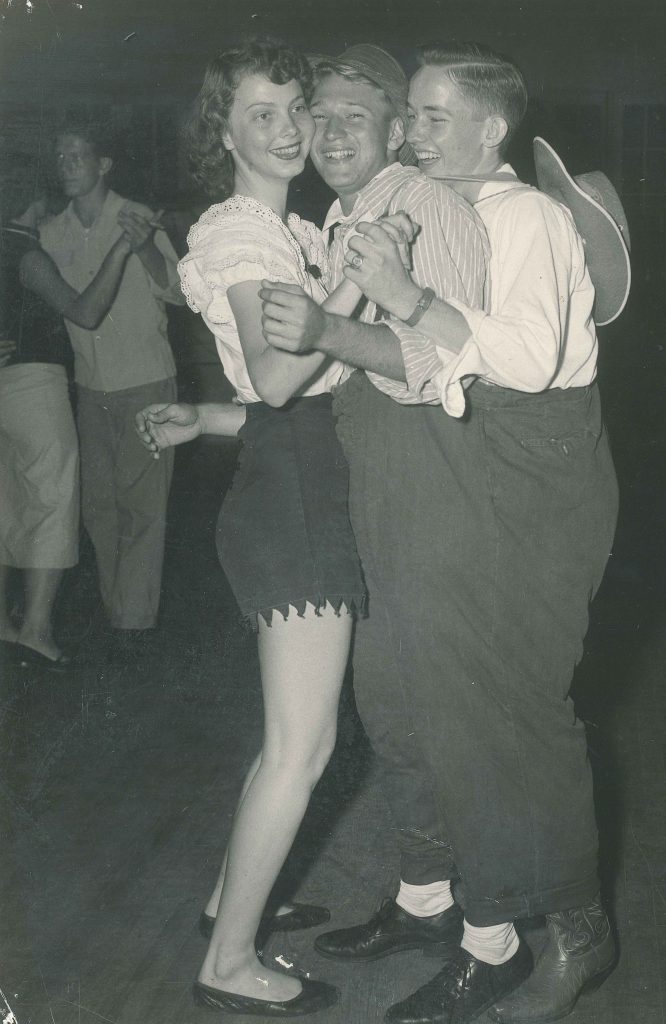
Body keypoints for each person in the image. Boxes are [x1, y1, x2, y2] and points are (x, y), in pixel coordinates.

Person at [261, 42, 622, 1024]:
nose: (409, 135)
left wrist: (400, 301)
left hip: (521, 480)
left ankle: (555, 935)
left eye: (426, 116)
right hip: (427, 474)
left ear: (487, 128)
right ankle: (434, 897)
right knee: (397, 694)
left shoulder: (524, 215)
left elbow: (524, 357)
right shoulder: (404, 209)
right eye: (410, 115)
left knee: (501, 714)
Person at [136, 38, 385, 1017]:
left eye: (295, 111)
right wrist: (362, 281)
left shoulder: (291, 234)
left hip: (298, 475)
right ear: (224, 136)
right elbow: (286, 376)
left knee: (293, 738)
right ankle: (228, 964)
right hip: (297, 500)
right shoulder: (243, 233)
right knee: (303, 747)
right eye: (262, 117)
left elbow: (267, 398)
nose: (289, 132)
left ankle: (222, 908)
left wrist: (205, 415)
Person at [38, 124, 184, 651]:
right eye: (61, 155)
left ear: (103, 164)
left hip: (146, 378)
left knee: (143, 506)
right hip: (88, 387)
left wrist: (145, 250)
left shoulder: (137, 216)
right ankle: (119, 610)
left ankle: (132, 625)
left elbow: (180, 293)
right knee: (99, 509)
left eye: (78, 153)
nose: (67, 163)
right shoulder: (50, 231)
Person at [0, 199, 139, 672]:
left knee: (6, 504)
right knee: (51, 500)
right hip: (33, 387)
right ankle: (36, 630)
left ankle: (2, 623)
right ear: (32, 202)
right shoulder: (24, 253)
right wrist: (122, 248)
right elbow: (85, 312)